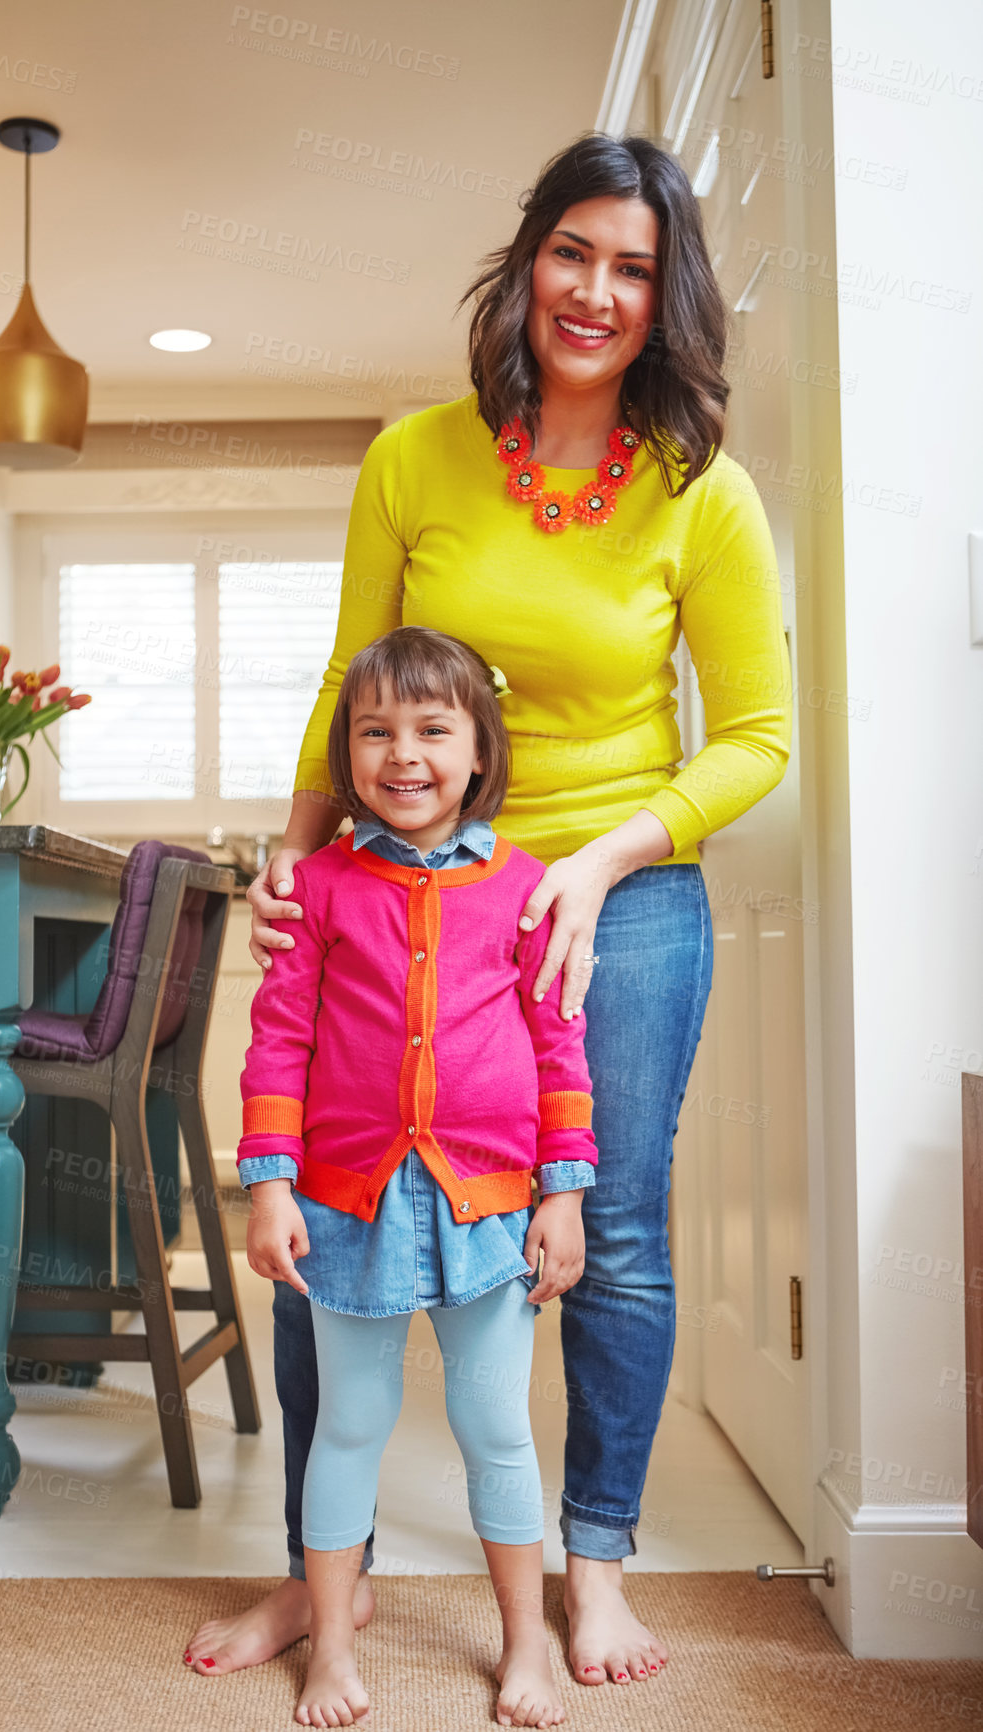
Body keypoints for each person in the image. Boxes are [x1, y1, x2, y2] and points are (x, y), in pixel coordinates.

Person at [185, 130, 792, 1691]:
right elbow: (348, 682)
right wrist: (295, 861)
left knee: (618, 1236)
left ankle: (591, 1573)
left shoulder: (699, 496)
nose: (595, 291)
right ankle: (335, 1587)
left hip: (619, 897)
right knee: (337, 1203)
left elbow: (755, 739)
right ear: (527, 259)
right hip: (397, 891)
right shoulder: (415, 456)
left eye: (634, 270)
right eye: (572, 251)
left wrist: (596, 863)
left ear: (668, 303)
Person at [238, 625, 597, 1728]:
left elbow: (558, 1049)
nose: (402, 754)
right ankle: (334, 1643)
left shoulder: (528, 887)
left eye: (432, 729)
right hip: (344, 1206)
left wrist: (563, 1193)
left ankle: (525, 1641)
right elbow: (277, 1041)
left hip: (489, 1208)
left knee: (497, 1429)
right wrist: (267, 1183)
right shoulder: (319, 887)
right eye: (374, 730)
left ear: (478, 748)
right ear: (345, 752)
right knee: (348, 1424)